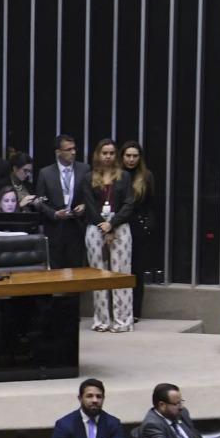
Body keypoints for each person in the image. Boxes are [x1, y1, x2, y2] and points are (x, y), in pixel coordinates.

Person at [81, 139, 137, 332]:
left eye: (112, 153)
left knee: (120, 273)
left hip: (119, 226)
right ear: (98, 154)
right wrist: (103, 226)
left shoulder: (124, 177)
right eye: (104, 152)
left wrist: (112, 225)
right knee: (99, 275)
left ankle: (122, 321)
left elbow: (129, 204)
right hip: (95, 227)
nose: (108, 156)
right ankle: (102, 321)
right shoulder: (88, 177)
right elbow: (89, 205)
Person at [47, 377, 129, 438]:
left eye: (99, 396)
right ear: (80, 398)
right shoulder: (64, 424)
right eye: (89, 396)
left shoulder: (113, 423)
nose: (95, 400)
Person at [34, 134, 91, 268]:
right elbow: (39, 202)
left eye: (74, 149)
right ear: (58, 152)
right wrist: (54, 214)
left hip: (76, 225)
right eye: (68, 149)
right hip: (55, 227)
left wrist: (84, 205)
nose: (73, 152)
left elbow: (91, 197)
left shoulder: (85, 169)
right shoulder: (45, 173)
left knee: (76, 268)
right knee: (56, 270)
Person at [135, 383, 204, 438]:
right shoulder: (151, 425)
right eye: (176, 404)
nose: (181, 407)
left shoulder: (182, 413)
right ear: (162, 405)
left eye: (181, 402)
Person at [119, 141, 154, 259]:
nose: (131, 159)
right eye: (128, 156)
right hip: (119, 222)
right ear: (122, 156)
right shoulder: (116, 175)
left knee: (138, 260)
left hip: (139, 223)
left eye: (135, 156)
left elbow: (150, 203)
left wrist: (148, 225)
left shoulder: (146, 176)